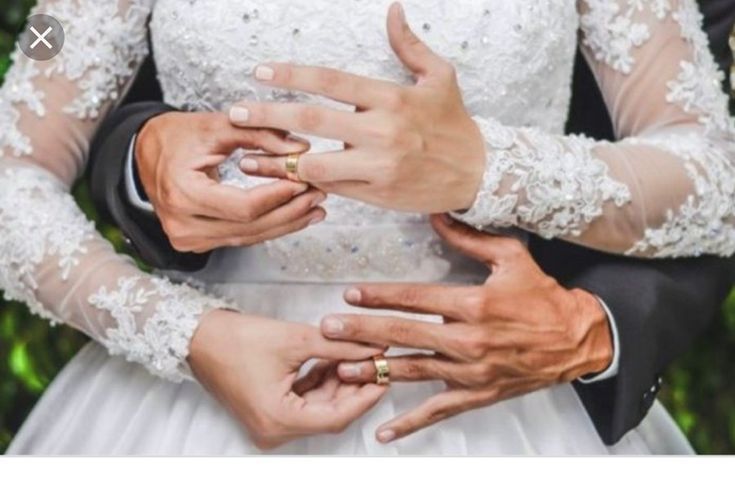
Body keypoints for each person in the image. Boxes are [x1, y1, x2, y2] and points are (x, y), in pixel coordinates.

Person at [2, 0, 734, 454]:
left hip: (502, 390)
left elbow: (715, 180)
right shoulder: (59, 18)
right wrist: (184, 334)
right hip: (196, 395)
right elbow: (15, 164)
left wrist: (487, 167)